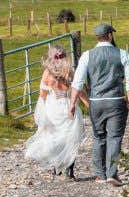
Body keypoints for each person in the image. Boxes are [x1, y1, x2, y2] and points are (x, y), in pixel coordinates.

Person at [69, 23, 129, 185]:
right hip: (116, 100)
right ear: (110, 35)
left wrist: (72, 103)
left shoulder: (87, 55)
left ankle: (100, 174)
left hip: (96, 101)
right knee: (115, 137)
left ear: (97, 37)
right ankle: (112, 173)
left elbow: (77, 82)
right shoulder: (122, 54)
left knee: (98, 136)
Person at [23, 45, 84, 179]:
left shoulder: (47, 74)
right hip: (69, 106)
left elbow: (43, 94)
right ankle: (69, 170)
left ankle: (57, 166)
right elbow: (77, 90)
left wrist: (44, 109)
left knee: (54, 137)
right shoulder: (70, 72)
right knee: (71, 138)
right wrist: (88, 103)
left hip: (53, 107)